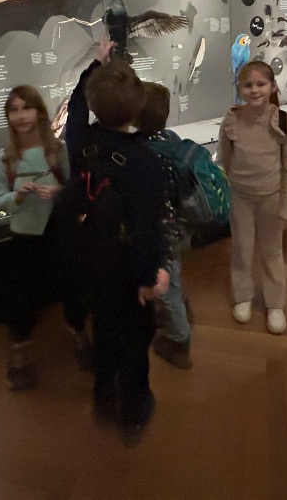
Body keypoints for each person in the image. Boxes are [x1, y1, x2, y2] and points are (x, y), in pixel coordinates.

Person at [61, 39, 170, 445]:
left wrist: (95, 64)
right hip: (126, 267)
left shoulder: (80, 141)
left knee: (104, 327)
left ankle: (104, 393)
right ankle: (134, 410)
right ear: (137, 109)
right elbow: (145, 229)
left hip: (91, 258)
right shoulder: (145, 163)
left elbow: (75, 106)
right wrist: (148, 276)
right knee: (135, 339)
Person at [0, 86, 90, 391]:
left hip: (60, 228)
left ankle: (78, 330)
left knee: (73, 283)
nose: (20, 116)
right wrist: (16, 196)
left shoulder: (58, 151)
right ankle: (20, 346)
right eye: (14, 110)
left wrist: (58, 191)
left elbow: (76, 188)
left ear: (40, 112)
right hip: (25, 232)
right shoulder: (6, 159)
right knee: (20, 293)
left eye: (26, 108)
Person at [217, 60, 287, 335]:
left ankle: (275, 304)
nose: (254, 90)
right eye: (248, 85)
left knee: (272, 251)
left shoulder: (284, 122)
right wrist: (223, 191)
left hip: (271, 198)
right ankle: (243, 297)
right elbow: (224, 159)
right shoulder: (231, 119)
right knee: (241, 248)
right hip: (239, 196)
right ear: (240, 88)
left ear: (272, 86)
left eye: (261, 84)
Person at [137, 81, 193, 370]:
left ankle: (179, 341)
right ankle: (179, 313)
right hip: (182, 225)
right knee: (175, 277)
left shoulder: (141, 151)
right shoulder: (171, 138)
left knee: (167, 287)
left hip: (162, 232)